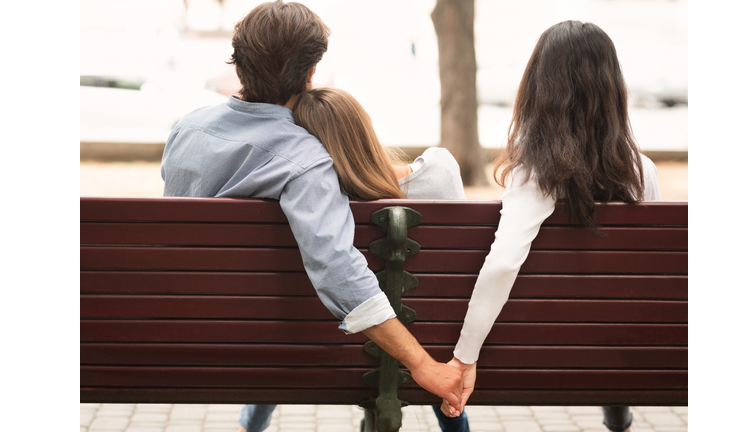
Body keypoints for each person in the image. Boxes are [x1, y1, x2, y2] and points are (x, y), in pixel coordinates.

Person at [158, 2, 463, 432]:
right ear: (309, 74)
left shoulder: (187, 128)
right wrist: (421, 364)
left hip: (189, 333)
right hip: (289, 344)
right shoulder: (305, 160)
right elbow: (336, 268)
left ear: (239, 64)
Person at [438, 21, 662, 432]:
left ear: (539, 90)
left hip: (542, 356)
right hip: (625, 358)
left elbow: (504, 263)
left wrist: (464, 357)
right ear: (614, 90)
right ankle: (618, 411)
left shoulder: (536, 176)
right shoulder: (642, 172)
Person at [290, 86, 470, 432]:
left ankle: (249, 425)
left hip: (334, 353)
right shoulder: (439, 170)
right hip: (428, 344)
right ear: (365, 127)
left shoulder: (307, 207)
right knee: (425, 319)